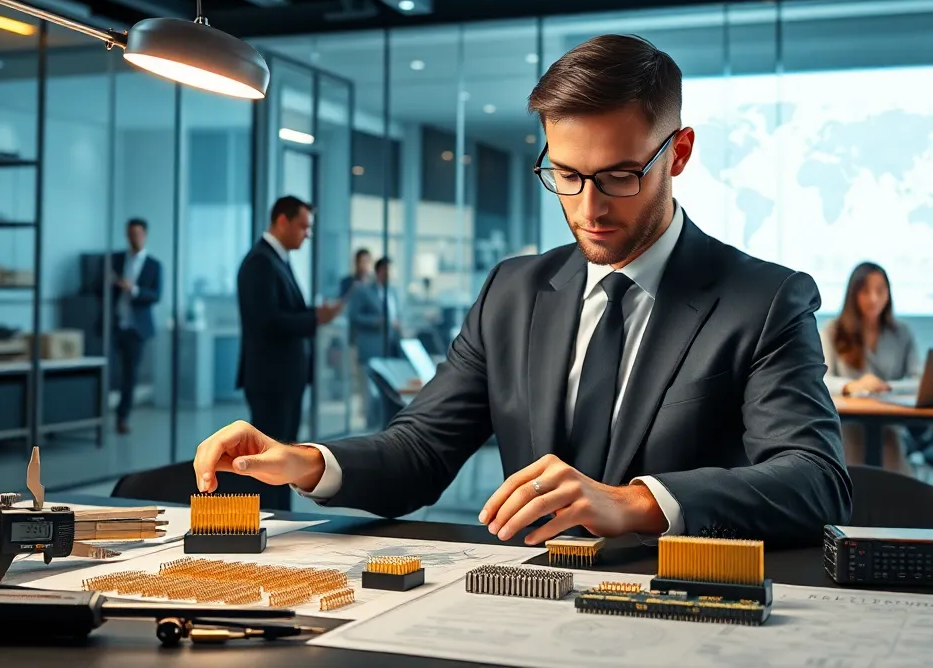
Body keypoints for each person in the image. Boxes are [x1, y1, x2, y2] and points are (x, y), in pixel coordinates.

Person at [198, 35, 851, 547]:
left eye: (620, 174)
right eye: (565, 174)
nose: (588, 207)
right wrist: (308, 462)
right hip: (519, 605)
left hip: (678, 615)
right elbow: (421, 449)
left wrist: (634, 502)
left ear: (677, 153)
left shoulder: (763, 301)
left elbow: (816, 482)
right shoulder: (513, 291)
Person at [236, 196, 344, 447]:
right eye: (303, 227)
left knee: (283, 457)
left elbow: (285, 309)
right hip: (271, 380)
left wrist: (314, 313)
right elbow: (267, 321)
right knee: (273, 463)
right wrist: (315, 318)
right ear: (283, 221)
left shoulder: (277, 259)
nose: (307, 235)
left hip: (284, 378)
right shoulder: (261, 262)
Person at [820, 261, 921, 475]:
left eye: (880, 291)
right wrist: (853, 385)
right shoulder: (833, 330)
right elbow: (820, 379)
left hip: (891, 422)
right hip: (845, 422)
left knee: (890, 440)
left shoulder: (902, 332)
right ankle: (852, 502)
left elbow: (919, 380)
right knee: (852, 443)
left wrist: (887, 387)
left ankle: (898, 504)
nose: (873, 298)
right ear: (853, 294)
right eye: (865, 291)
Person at [110, 218, 161, 435]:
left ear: (145, 235)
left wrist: (134, 289)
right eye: (131, 234)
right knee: (110, 370)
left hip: (136, 329)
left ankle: (123, 417)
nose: (135, 238)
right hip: (114, 325)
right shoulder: (116, 260)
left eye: (138, 234)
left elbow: (156, 295)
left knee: (129, 374)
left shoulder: (153, 265)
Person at [349, 256, 403, 424]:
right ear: (379, 271)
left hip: (391, 346)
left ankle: (386, 421)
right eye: (386, 270)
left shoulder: (393, 292)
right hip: (372, 345)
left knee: (389, 387)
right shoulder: (364, 291)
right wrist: (376, 321)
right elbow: (354, 317)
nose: (389, 274)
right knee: (370, 389)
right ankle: (371, 422)